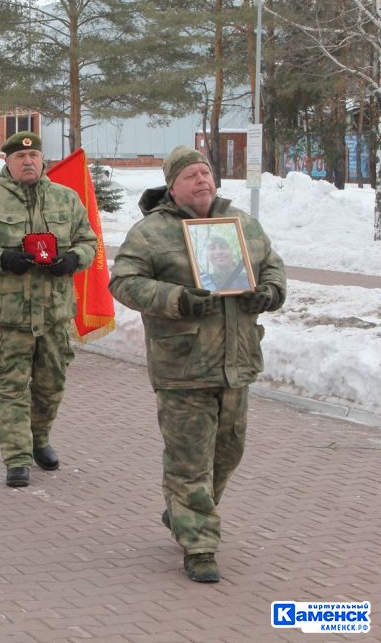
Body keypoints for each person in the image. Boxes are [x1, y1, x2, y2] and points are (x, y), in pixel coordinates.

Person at [109, 145, 286, 583]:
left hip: (236, 361)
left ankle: (185, 514)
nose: (202, 180)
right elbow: (124, 281)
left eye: (206, 173)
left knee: (227, 453)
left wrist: (268, 293)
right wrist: (178, 299)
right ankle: (200, 546)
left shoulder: (242, 224)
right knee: (190, 460)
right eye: (191, 176)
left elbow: (275, 271)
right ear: (173, 187)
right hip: (183, 365)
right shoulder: (151, 232)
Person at [0, 132, 97, 488]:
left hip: (54, 313)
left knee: (51, 384)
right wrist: (2, 259)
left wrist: (72, 260)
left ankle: (39, 439)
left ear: (42, 159)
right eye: (20, 157)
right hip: (8, 316)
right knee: (11, 388)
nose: (28, 161)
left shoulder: (66, 199)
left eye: (33, 154)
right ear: (8, 162)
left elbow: (89, 241)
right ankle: (17, 456)